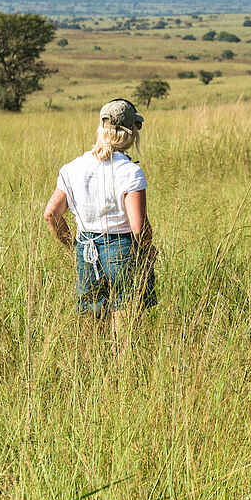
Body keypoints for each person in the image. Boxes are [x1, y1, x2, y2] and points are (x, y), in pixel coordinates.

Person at [43, 98, 157, 331]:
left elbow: (51, 214)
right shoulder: (130, 172)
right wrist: (147, 250)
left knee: (92, 321)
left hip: (86, 249)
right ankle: (122, 365)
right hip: (123, 248)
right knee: (125, 318)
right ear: (131, 132)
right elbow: (138, 228)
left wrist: (73, 246)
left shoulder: (72, 168)